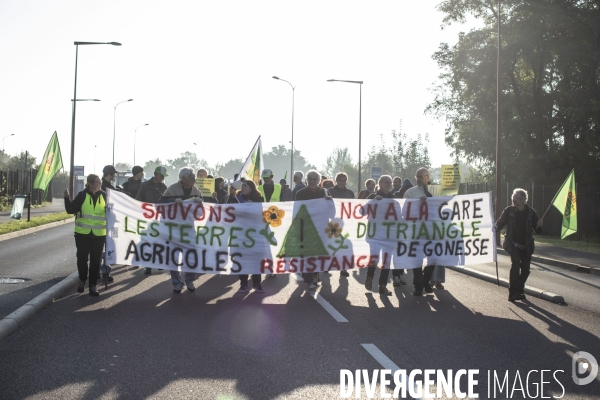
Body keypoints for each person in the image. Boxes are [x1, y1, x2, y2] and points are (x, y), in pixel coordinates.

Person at [159, 167, 203, 293]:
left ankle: (189, 279)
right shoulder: (172, 189)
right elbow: (161, 203)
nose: (194, 180)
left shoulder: (196, 190)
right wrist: (173, 201)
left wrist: (200, 202)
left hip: (188, 229)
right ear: (183, 178)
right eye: (192, 178)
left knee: (191, 256)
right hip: (173, 229)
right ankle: (177, 282)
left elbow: (200, 211)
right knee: (174, 256)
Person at [495, 188, 543, 301]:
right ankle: (512, 293)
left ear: (523, 199)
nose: (513, 200)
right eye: (513, 197)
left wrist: (539, 225)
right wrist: (495, 228)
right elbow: (500, 222)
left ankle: (519, 289)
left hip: (526, 245)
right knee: (515, 265)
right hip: (512, 244)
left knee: (526, 270)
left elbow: (538, 230)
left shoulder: (531, 212)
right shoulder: (509, 210)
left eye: (516, 198)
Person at [64, 174, 106, 296]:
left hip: (99, 234)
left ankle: (92, 286)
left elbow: (112, 212)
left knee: (95, 261)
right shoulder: (82, 195)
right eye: (97, 182)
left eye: (100, 182)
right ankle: (82, 279)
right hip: (82, 234)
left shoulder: (105, 196)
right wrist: (66, 198)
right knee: (82, 259)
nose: (100, 184)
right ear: (91, 184)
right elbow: (71, 210)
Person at [295, 169, 333, 294]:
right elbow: (297, 211)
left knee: (318, 255)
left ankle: (315, 275)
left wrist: (329, 202)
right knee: (308, 255)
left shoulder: (325, 193)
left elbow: (332, 214)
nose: (312, 181)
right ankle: (310, 281)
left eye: (314, 179)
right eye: (310, 179)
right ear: (306, 180)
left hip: (321, 229)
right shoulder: (300, 194)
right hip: (306, 229)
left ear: (319, 181)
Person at [364, 175, 400, 295]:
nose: (388, 184)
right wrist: (374, 200)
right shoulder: (373, 196)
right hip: (375, 235)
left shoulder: (394, 199)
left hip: (389, 235)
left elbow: (399, 217)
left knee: (386, 261)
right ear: (379, 183)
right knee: (374, 258)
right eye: (386, 182)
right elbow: (361, 211)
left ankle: (382, 286)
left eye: (390, 182)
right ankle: (369, 277)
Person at [403, 167, 435, 296]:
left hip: (431, 232)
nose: (419, 179)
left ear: (427, 177)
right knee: (417, 260)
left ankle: (425, 280)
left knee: (432, 260)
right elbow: (404, 211)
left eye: (422, 176)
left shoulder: (434, 192)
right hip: (416, 232)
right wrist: (417, 205)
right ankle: (418, 286)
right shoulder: (410, 193)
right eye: (417, 176)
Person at [233, 179, 265, 293]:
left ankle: (257, 283)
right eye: (242, 185)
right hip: (240, 232)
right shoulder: (235, 198)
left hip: (255, 233)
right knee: (243, 258)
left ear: (251, 187)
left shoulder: (259, 199)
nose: (242, 187)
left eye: (245, 185)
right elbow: (229, 212)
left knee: (256, 258)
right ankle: (243, 283)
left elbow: (262, 215)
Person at [136, 166, 168, 275]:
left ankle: (158, 262)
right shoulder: (144, 186)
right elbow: (138, 201)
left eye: (164, 176)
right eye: (161, 176)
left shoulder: (164, 187)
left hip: (159, 219)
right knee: (148, 242)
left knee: (159, 242)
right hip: (147, 219)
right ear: (155, 174)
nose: (163, 178)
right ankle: (148, 266)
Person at [327, 172, 355, 277]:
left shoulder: (350, 193)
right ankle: (328, 264)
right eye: (340, 180)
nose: (342, 182)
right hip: (332, 222)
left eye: (344, 180)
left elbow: (353, 207)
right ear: (336, 180)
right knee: (331, 244)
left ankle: (343, 268)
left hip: (345, 223)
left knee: (344, 245)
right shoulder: (329, 192)